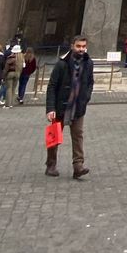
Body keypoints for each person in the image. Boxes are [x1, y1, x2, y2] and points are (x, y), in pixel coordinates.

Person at [45, 34, 94, 178]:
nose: (81, 49)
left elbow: (90, 82)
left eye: (84, 46)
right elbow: (52, 86)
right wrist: (50, 108)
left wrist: (85, 98)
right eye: (78, 46)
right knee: (55, 136)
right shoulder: (62, 64)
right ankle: (51, 164)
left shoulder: (88, 63)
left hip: (78, 106)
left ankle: (78, 166)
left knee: (78, 135)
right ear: (72, 46)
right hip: (61, 105)